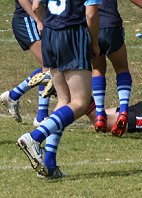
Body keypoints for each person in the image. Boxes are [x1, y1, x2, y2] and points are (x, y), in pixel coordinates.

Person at [16, 0, 101, 178]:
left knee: (64, 100)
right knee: (80, 102)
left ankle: (49, 164)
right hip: (72, 35)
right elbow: (91, 14)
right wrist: (94, 43)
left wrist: (48, 24)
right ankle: (35, 137)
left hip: (49, 35)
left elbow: (37, 5)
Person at [92, 0, 142, 136]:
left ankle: (100, 115)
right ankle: (124, 111)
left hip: (90, 27)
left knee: (97, 69)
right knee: (121, 69)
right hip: (111, 25)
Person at [0, 0, 51, 125]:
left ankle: (13, 95)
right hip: (28, 20)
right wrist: (38, 20)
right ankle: (41, 117)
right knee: (48, 66)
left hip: (43, 19)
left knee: (53, 67)